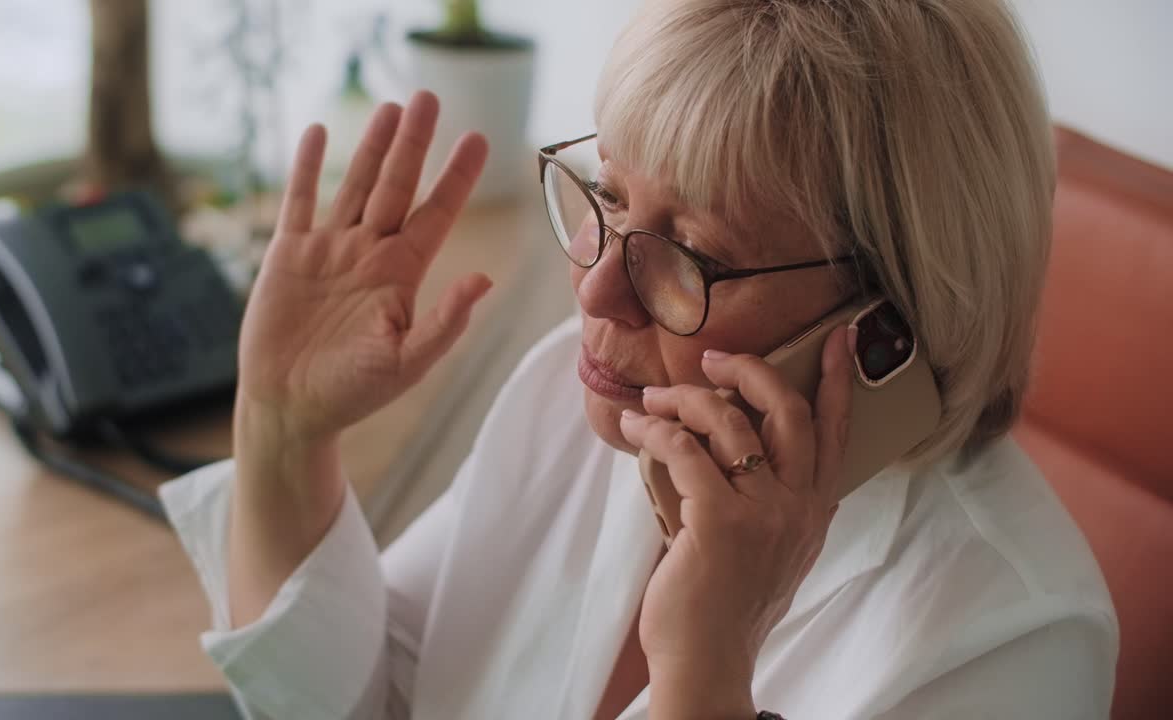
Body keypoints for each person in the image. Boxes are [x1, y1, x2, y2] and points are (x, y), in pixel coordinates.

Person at [160, 0, 1118, 717]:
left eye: (695, 255)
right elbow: (386, 701)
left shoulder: (1014, 642)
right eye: (611, 199)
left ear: (887, 319)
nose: (595, 292)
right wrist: (280, 428)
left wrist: (708, 675)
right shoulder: (605, 403)